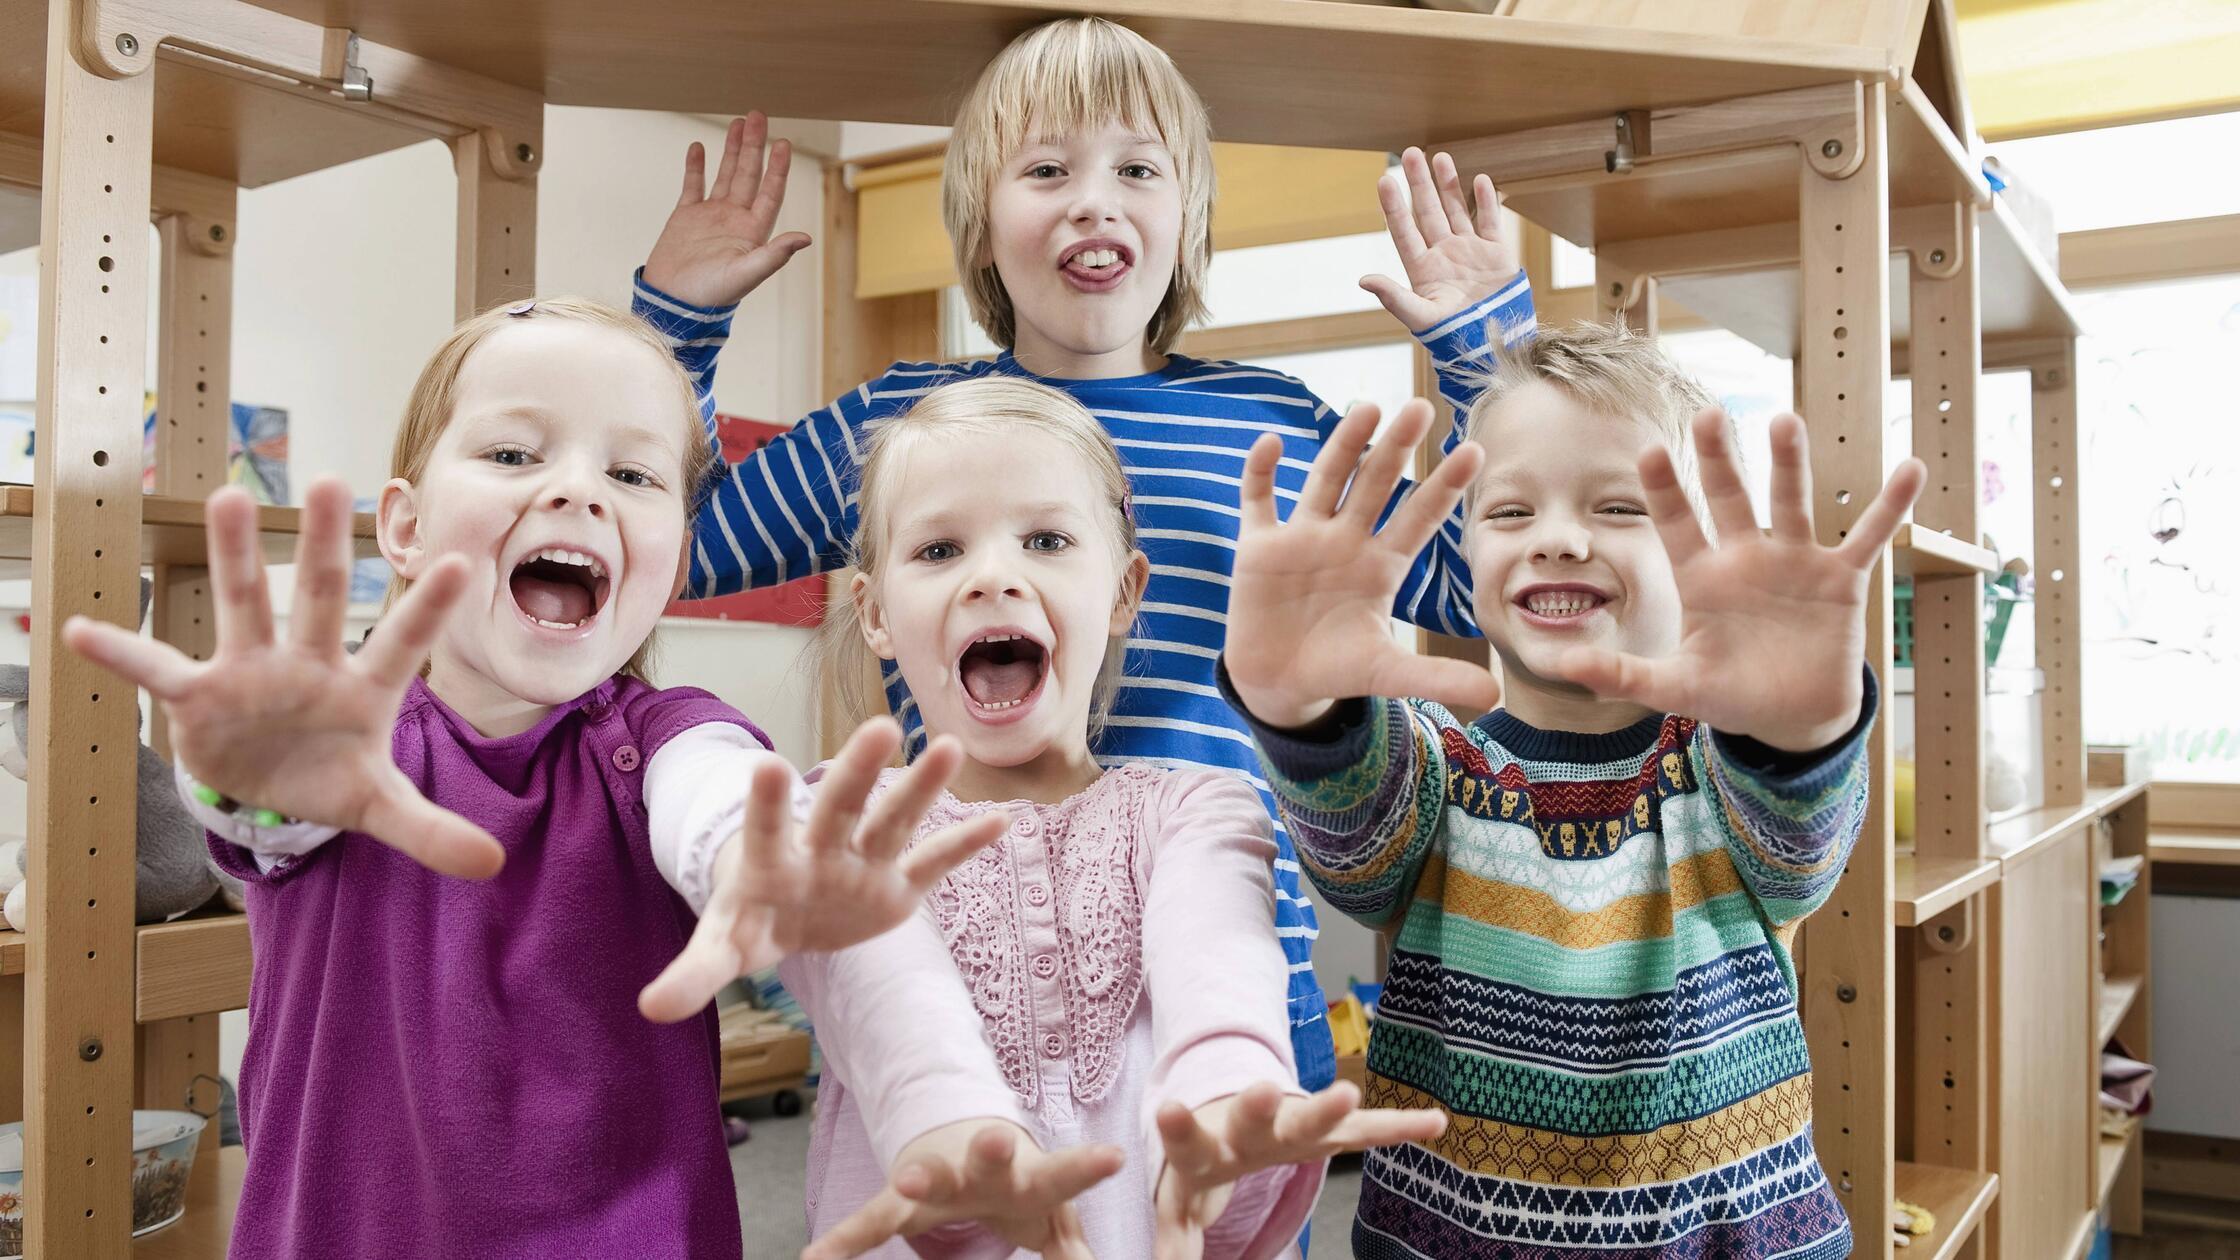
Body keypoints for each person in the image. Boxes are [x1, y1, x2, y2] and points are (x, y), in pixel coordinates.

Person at [63, 297, 1005, 1259]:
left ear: (673, 556)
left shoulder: (674, 744)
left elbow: (722, 805)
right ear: (405, 527)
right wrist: (245, 774)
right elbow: (269, 813)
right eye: (514, 455)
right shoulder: (343, 742)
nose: (577, 491)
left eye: (632, 473)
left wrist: (777, 868)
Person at [1220, 323, 1927, 1258]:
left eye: (1622, 509)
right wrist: (1303, 706)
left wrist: (1796, 729)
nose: (1556, 539)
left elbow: (1800, 852)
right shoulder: (1436, 771)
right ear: (1463, 558)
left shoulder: (1719, 768)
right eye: (1510, 514)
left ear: (1699, 552)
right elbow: (1356, 850)